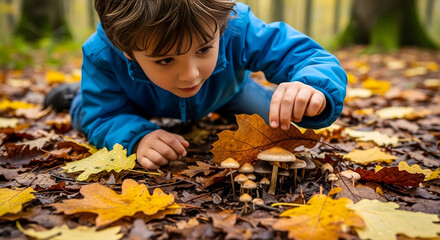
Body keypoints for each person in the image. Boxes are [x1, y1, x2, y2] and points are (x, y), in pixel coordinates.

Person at [44, 0, 347, 170]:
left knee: (274, 116)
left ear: (222, 25)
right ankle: (77, 94)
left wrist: (312, 87)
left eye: (203, 49)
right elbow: (104, 115)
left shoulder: (235, 23)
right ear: (127, 51)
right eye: (165, 60)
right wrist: (136, 138)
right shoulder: (103, 53)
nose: (189, 75)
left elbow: (306, 55)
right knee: (89, 111)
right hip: (138, 98)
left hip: (225, 90)